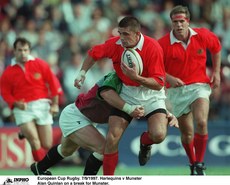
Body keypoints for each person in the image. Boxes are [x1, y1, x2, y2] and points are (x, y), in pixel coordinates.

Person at [74, 16, 172, 175]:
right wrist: (82, 73)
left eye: (126, 34)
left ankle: (144, 143)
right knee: (112, 138)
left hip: (152, 94)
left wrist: (137, 78)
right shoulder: (115, 44)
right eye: (120, 33)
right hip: (126, 92)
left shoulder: (153, 47)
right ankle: (108, 181)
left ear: (137, 34)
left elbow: (159, 83)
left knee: (158, 135)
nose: (122, 38)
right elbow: (93, 53)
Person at [30, 72, 178, 175]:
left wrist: (168, 114)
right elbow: (107, 94)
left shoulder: (133, 85)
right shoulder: (115, 78)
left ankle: (39, 168)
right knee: (104, 149)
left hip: (86, 119)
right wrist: (128, 108)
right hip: (75, 115)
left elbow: (146, 104)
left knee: (66, 150)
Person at [158, 5, 221, 175]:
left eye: (181, 21)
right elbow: (154, 69)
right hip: (176, 92)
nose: (178, 25)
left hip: (199, 86)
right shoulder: (162, 43)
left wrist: (216, 72)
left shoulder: (202, 35)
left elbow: (216, 48)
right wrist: (169, 78)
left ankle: (200, 164)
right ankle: (193, 164)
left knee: (201, 121)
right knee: (187, 134)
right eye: (175, 22)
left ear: (188, 21)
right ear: (171, 23)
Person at [0, 37, 62, 163]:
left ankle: (25, 131)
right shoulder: (8, 72)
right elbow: (5, 92)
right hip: (23, 108)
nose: (23, 53)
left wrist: (55, 104)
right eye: (20, 50)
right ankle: (41, 171)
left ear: (29, 50)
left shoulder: (40, 64)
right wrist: (15, 103)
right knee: (34, 141)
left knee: (47, 144)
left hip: (42, 105)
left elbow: (53, 83)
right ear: (14, 51)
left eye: (25, 50)